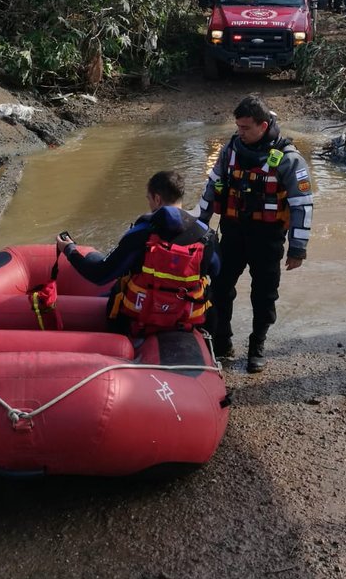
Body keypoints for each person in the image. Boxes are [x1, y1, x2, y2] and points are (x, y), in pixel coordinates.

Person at [199, 96, 313, 372]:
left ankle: (256, 345)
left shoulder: (289, 159)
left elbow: (302, 205)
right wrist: (199, 229)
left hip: (268, 238)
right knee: (218, 289)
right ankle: (222, 340)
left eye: (246, 127)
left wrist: (298, 248)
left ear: (263, 126)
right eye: (238, 126)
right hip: (233, 234)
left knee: (263, 296)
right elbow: (210, 189)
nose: (240, 132)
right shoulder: (230, 151)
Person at [56, 170, 219, 335]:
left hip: (138, 320)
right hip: (185, 320)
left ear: (157, 199)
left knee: (109, 275)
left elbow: (100, 276)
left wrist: (69, 250)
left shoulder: (141, 233)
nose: (149, 203)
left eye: (148, 199)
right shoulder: (206, 236)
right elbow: (216, 270)